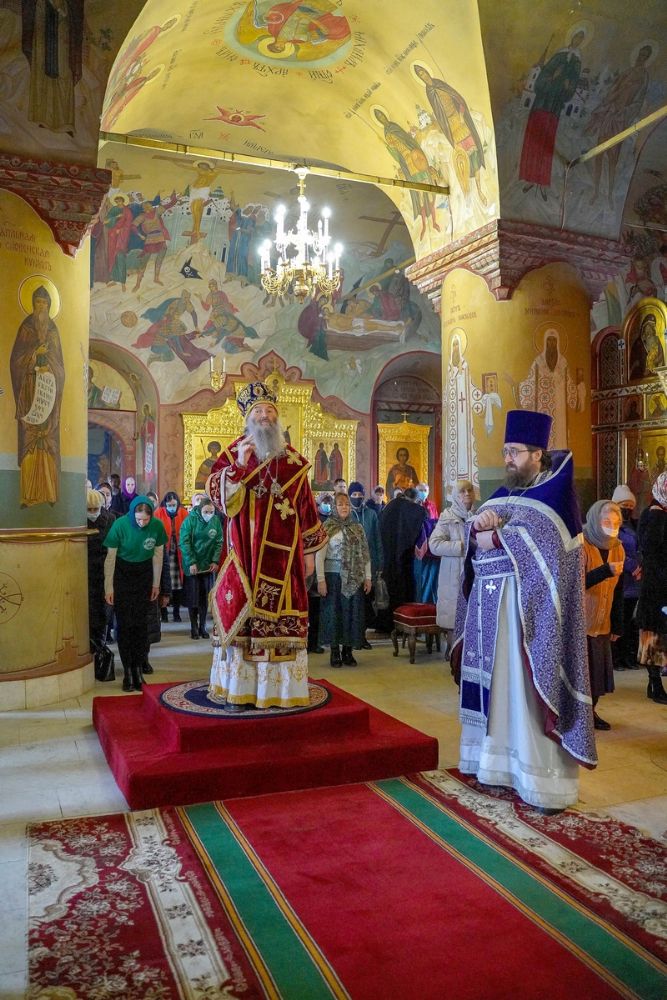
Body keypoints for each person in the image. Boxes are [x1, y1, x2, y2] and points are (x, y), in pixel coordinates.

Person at [452, 410, 597, 812]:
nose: (508, 459)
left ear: (537, 454)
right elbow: (476, 536)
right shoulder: (504, 493)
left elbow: (553, 550)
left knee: (525, 695)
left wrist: (498, 537)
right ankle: (495, 766)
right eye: (505, 452)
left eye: (514, 452)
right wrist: (478, 527)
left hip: (528, 622)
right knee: (500, 692)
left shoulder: (558, 496)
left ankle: (540, 782)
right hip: (491, 615)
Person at [206, 381, 327, 710]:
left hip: (285, 561)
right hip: (244, 554)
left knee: (281, 617)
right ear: (248, 417)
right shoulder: (233, 454)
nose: (264, 416)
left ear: (277, 417)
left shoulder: (294, 462)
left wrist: (310, 554)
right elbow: (220, 500)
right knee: (243, 619)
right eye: (257, 411)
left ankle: (281, 692)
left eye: (269, 410)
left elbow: (307, 509)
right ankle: (239, 689)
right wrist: (238, 467)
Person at [103, 496, 167, 692]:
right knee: (124, 625)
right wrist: (109, 587)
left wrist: (156, 584)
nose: (142, 523)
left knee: (140, 624)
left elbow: (158, 556)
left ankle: (138, 669)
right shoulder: (120, 525)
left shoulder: (157, 526)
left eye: (146, 520)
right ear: (132, 514)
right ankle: (128, 671)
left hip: (144, 575)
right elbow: (110, 559)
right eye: (138, 519)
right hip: (122, 574)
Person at [316, 492, 372, 666]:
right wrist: (320, 579)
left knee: (351, 614)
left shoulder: (357, 528)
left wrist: (368, 577)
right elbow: (319, 556)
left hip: (354, 578)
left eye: (347, 504)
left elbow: (365, 554)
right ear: (334, 507)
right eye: (340, 505)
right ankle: (334, 651)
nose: (344, 507)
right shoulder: (327, 527)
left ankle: (348, 651)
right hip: (333, 578)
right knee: (334, 614)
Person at [583, 500, 624, 731]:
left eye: (616, 523)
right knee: (583, 675)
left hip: (603, 622)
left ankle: (591, 712)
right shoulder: (581, 544)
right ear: (595, 520)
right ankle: (579, 716)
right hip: (582, 622)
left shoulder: (618, 548)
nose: (612, 527)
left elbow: (618, 590)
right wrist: (605, 571)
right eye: (607, 522)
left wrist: (617, 625)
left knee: (597, 676)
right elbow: (575, 583)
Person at [429, 480, 476, 652]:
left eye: (469, 490)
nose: (467, 494)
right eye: (462, 491)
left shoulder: (477, 515)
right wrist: (461, 547)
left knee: (472, 617)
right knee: (454, 618)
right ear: (456, 495)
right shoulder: (447, 517)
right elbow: (434, 545)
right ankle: (453, 654)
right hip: (453, 574)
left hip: (474, 572)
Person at [377, 487, 427, 632]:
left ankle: (385, 624)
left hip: (387, 556)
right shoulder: (409, 508)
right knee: (402, 590)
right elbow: (421, 513)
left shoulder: (390, 505)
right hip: (403, 559)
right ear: (414, 499)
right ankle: (403, 624)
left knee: (388, 591)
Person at [636, 471, 667, 704]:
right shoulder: (652, 514)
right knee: (654, 634)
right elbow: (649, 547)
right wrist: (657, 515)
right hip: (656, 584)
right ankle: (654, 683)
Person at [179, 496, 223, 640]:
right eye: (206, 512)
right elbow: (184, 542)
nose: (208, 514)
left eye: (211, 512)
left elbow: (219, 542)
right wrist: (191, 562)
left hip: (207, 566)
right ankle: (193, 626)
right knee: (193, 597)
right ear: (199, 510)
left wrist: (215, 560)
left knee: (204, 598)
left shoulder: (215, 521)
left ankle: (202, 626)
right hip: (193, 566)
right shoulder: (190, 521)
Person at [348, 481, 383, 647]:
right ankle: (350, 638)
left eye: (360, 495)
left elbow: (377, 539)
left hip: (369, 563)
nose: (357, 497)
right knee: (352, 603)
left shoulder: (371, 514)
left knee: (366, 603)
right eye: (354, 495)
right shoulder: (345, 514)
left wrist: (380, 563)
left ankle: (361, 637)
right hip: (349, 565)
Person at [611, 485, 641, 671]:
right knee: (618, 621)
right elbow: (616, 550)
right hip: (620, 579)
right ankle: (616, 658)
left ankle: (628, 657)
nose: (628, 508)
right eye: (624, 505)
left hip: (634, 583)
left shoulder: (632, 526)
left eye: (630, 505)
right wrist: (632, 566)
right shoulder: (612, 525)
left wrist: (640, 566)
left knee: (630, 622)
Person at [86, 489, 115, 669]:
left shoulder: (110, 520)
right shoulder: (78, 521)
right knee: (89, 615)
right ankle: (92, 652)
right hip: (86, 574)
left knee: (104, 614)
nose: (93, 513)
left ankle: (101, 650)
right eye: (89, 510)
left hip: (104, 574)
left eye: (95, 509)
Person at [154, 491, 187, 623]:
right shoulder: (158, 513)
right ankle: (164, 613)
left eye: (174, 505)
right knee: (164, 583)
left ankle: (176, 612)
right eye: (169, 505)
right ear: (165, 504)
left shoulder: (184, 513)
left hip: (178, 554)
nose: (172, 507)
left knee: (178, 585)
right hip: (164, 553)